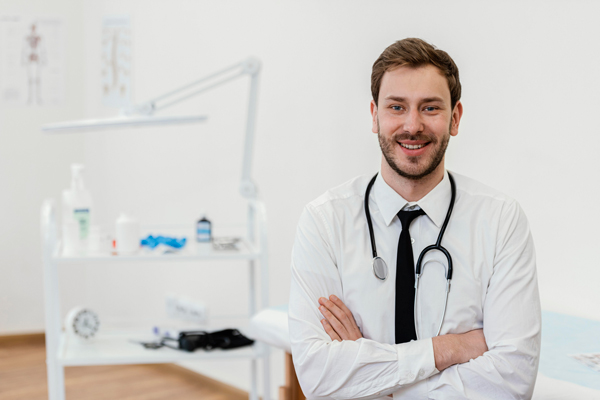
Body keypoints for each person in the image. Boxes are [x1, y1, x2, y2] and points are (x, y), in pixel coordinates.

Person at [288, 38, 541, 399]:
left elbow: (512, 381)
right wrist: (447, 349)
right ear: (374, 116)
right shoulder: (325, 221)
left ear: (454, 119)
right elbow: (317, 377)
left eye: (430, 108)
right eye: (396, 107)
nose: (412, 125)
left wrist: (375, 382)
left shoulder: (501, 220)